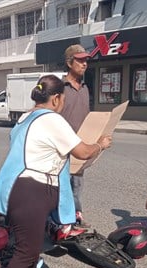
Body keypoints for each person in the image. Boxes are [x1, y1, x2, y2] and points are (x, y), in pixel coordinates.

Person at [0, 74, 112, 268]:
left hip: (22, 190)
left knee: (28, 246)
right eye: (63, 100)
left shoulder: (24, 118)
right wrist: (100, 145)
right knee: (26, 252)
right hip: (32, 190)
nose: (63, 105)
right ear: (56, 98)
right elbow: (82, 152)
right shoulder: (52, 119)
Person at [61, 44, 92, 227]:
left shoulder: (85, 88)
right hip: (62, 147)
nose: (84, 64)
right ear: (69, 62)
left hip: (80, 146)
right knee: (62, 185)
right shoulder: (60, 88)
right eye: (80, 60)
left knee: (77, 185)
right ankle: (61, 219)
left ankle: (75, 216)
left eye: (86, 60)